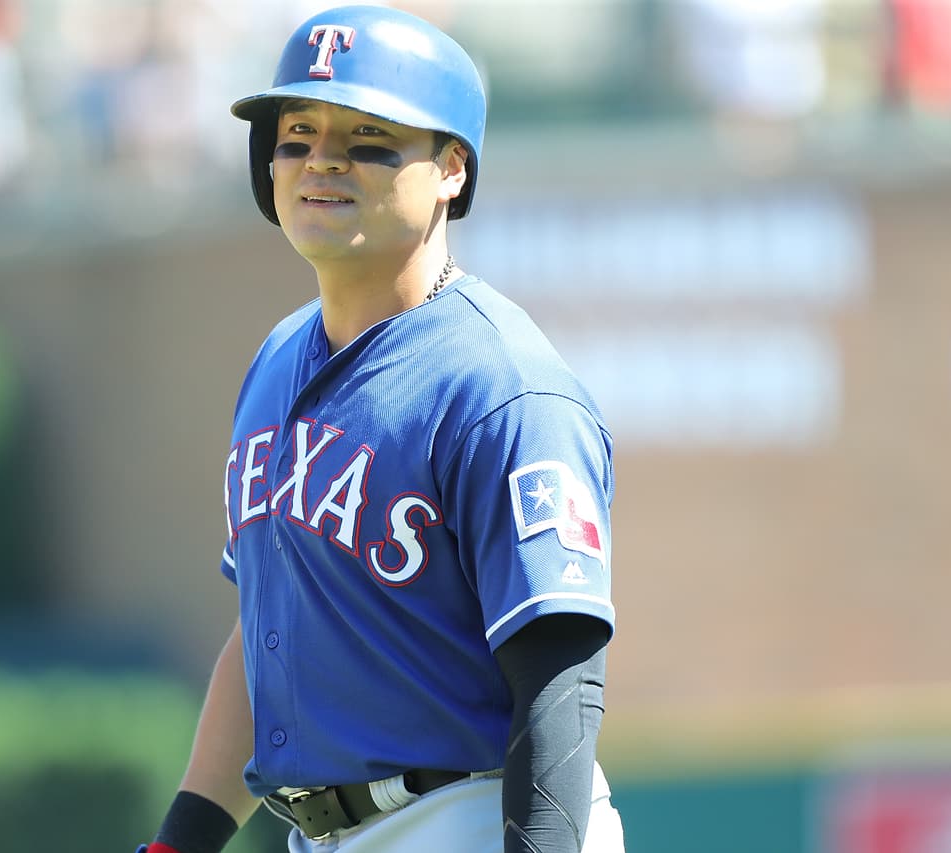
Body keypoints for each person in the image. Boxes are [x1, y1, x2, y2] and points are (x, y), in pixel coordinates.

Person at [137, 6, 624, 852]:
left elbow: (559, 673)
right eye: (297, 133)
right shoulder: (278, 357)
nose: (322, 158)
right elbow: (268, 635)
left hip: (471, 818)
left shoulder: (502, 386)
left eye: (368, 137)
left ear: (450, 169)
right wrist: (181, 840)